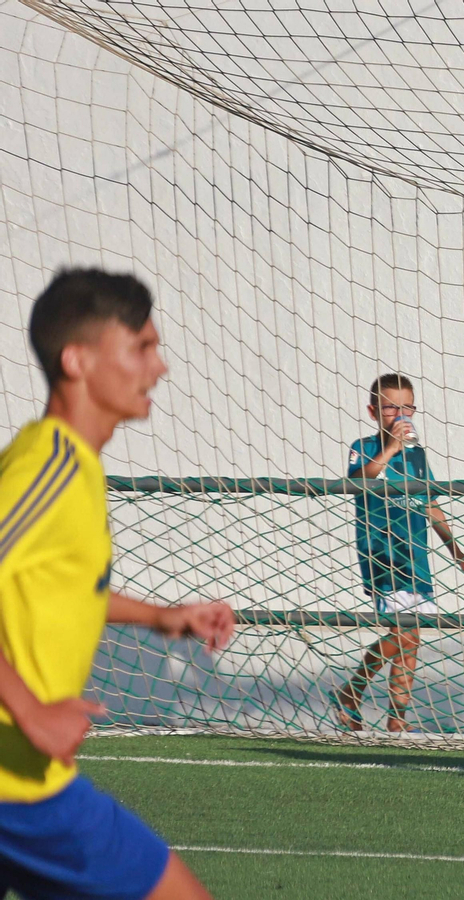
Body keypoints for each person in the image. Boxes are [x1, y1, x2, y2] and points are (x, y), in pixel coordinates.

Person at [0, 268, 236, 899]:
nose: (158, 367)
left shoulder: (73, 465)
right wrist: (30, 711)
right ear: (76, 361)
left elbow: (58, 588)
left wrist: (163, 617)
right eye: (141, 348)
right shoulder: (46, 467)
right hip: (16, 789)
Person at [331, 374, 464, 733]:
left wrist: (456, 550)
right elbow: (359, 481)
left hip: (416, 557)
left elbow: (429, 503)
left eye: (407, 406)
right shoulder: (364, 447)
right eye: (391, 407)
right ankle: (352, 691)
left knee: (411, 643)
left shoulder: (418, 456)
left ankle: (396, 719)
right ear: (373, 411)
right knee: (405, 634)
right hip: (383, 555)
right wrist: (391, 449)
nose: (401, 414)